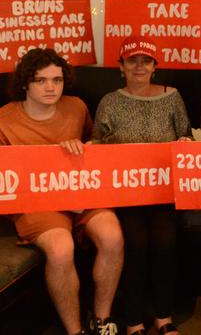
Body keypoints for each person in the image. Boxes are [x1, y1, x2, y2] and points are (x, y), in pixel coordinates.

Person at [0, 48, 123, 335]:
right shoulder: (4, 119)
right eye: (41, 80)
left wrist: (85, 149)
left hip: (80, 194)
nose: (50, 87)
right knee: (60, 247)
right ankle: (74, 330)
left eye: (56, 80)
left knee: (112, 236)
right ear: (25, 84)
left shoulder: (77, 106)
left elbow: (95, 148)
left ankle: (102, 320)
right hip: (35, 203)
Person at [92, 36, 192, 335]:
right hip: (125, 193)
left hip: (164, 191)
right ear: (121, 66)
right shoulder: (110, 101)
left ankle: (163, 317)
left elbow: (185, 136)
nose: (139, 66)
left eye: (146, 60)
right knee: (133, 245)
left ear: (154, 67)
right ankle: (133, 321)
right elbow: (97, 144)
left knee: (165, 243)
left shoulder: (172, 96)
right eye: (132, 60)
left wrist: (186, 144)